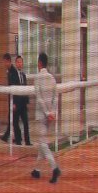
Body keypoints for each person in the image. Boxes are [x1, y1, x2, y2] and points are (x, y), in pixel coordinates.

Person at [29, 52, 61, 184]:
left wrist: (47, 113)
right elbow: (55, 97)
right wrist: (52, 112)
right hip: (50, 116)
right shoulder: (52, 78)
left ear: (39, 63)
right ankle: (36, 169)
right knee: (42, 143)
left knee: (42, 143)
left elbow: (39, 98)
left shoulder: (38, 78)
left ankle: (54, 167)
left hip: (42, 115)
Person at [5, 53, 29, 146]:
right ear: (16, 63)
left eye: (21, 62)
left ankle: (27, 141)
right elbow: (13, 89)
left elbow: (26, 88)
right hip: (16, 103)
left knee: (25, 123)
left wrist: (26, 102)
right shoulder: (13, 75)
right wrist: (13, 103)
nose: (20, 64)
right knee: (15, 122)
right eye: (18, 62)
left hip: (23, 104)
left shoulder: (23, 75)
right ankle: (18, 140)